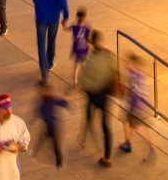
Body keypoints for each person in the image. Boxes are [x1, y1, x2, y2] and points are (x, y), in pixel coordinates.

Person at [78, 30, 119, 166]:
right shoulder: (108, 55)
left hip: (94, 95)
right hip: (106, 95)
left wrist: (83, 83)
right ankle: (107, 156)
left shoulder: (91, 60)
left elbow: (85, 82)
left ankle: (83, 138)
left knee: (89, 112)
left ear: (91, 41)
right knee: (106, 125)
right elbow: (115, 71)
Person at [32, 0, 70, 82]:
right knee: (51, 41)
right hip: (53, 17)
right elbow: (63, 0)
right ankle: (49, 63)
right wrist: (65, 16)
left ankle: (44, 70)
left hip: (41, 16)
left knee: (41, 43)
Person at [119, 52, 154, 158]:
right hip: (143, 106)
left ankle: (128, 143)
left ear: (133, 64)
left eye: (127, 62)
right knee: (136, 126)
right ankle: (151, 147)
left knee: (126, 122)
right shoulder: (141, 76)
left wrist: (126, 94)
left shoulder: (134, 76)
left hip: (135, 106)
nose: (125, 64)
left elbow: (134, 93)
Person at [34, 79, 70, 167]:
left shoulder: (48, 99)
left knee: (54, 145)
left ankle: (59, 162)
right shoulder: (44, 100)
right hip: (50, 125)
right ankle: (36, 152)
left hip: (52, 126)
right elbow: (40, 110)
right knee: (45, 140)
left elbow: (60, 102)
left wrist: (65, 102)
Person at [69, 8, 91, 86]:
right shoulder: (87, 28)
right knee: (84, 64)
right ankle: (86, 78)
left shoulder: (74, 27)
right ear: (85, 18)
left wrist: (63, 24)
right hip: (84, 49)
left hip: (77, 49)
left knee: (77, 66)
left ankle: (75, 81)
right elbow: (89, 39)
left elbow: (65, 28)